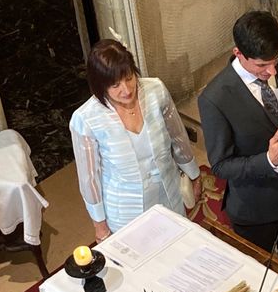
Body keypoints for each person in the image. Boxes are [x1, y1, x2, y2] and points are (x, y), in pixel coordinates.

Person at [197, 11, 278, 272]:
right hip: (255, 208)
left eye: (274, 61)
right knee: (256, 273)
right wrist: (269, 160)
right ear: (238, 53)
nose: (271, 71)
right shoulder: (215, 99)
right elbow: (222, 165)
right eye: (261, 66)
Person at [70, 39, 201, 243]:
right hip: (125, 206)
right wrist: (99, 225)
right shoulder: (86, 118)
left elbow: (178, 136)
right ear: (100, 86)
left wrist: (193, 174)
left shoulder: (155, 90)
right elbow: (89, 179)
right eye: (115, 85)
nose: (127, 89)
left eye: (129, 78)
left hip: (168, 190)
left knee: (178, 246)